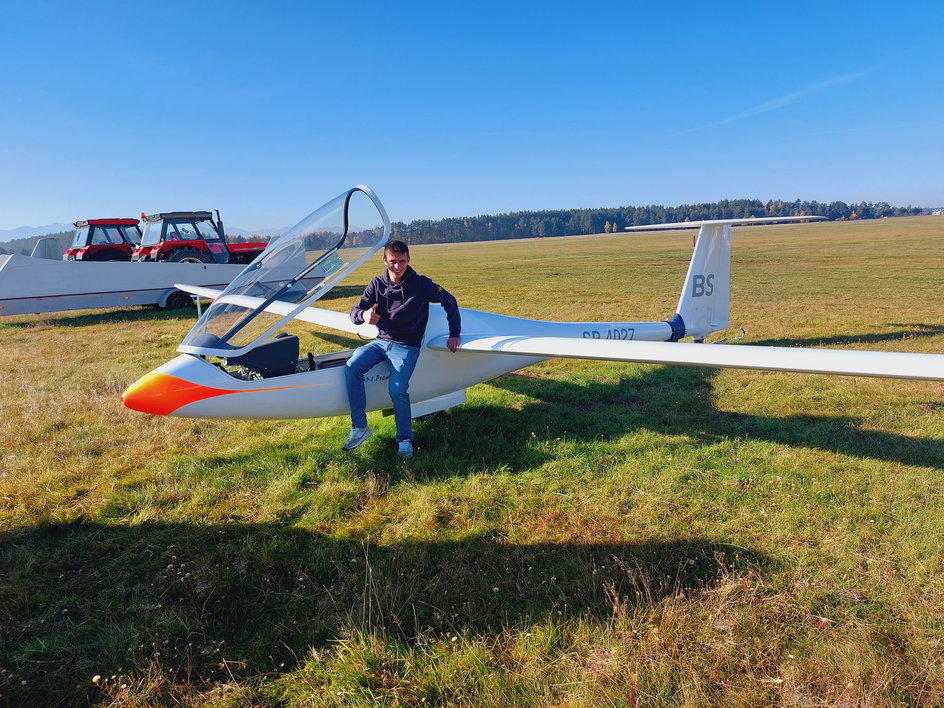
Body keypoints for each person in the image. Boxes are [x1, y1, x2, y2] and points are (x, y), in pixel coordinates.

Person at [342, 240, 461, 458]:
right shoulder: (377, 284)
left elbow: (450, 301)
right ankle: (359, 427)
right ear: (384, 260)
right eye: (393, 262)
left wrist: (455, 334)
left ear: (408, 260)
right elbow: (355, 311)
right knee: (352, 366)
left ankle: (405, 439)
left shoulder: (421, 284)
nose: (398, 267)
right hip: (380, 341)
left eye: (402, 262)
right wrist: (364, 315)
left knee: (397, 389)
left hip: (406, 346)